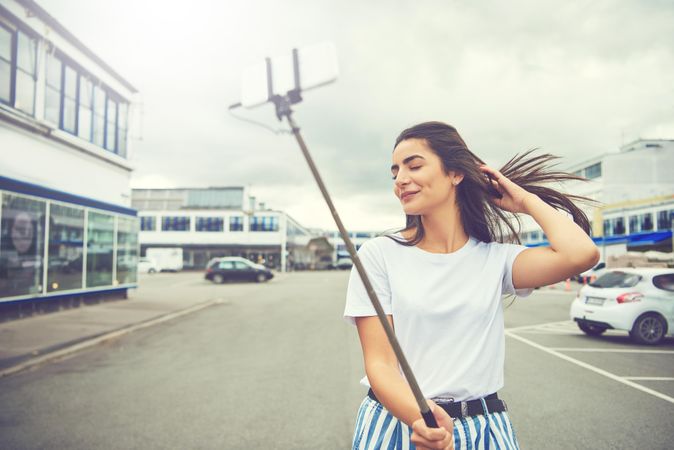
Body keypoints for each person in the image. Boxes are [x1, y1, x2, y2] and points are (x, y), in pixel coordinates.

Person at [344, 122, 599, 450]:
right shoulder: (379, 255)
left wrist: (524, 200)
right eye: (395, 172)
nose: (400, 180)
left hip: (484, 429)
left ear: (455, 173)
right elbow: (380, 364)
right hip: (401, 424)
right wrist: (421, 418)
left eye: (414, 165)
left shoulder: (496, 259)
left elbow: (582, 254)